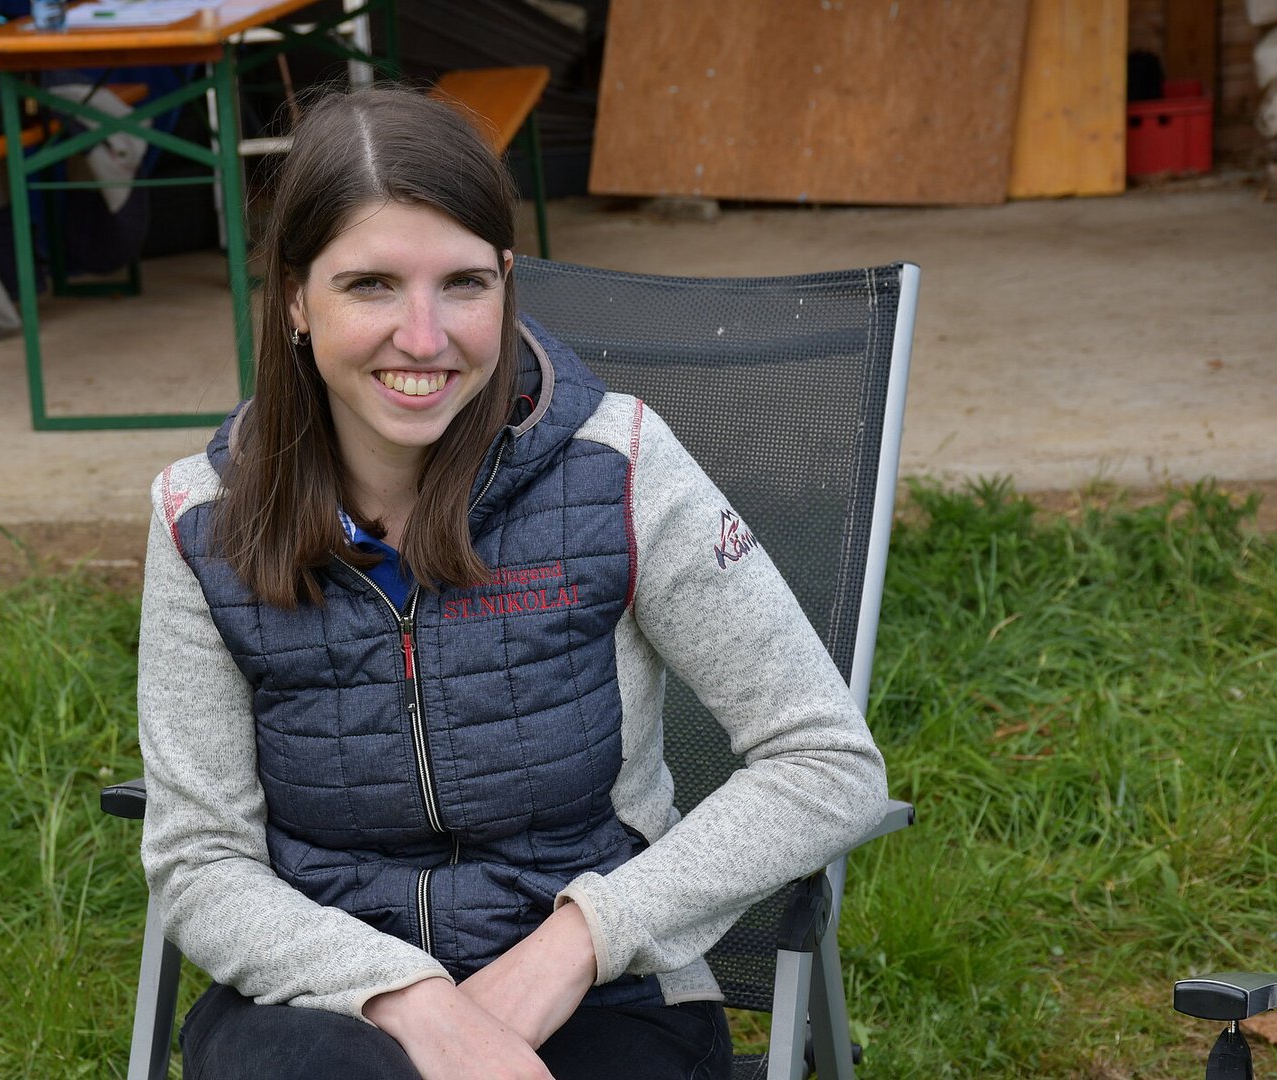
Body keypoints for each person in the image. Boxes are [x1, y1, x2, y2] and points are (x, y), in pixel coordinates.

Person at [137, 84, 888, 1080]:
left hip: (605, 990)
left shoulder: (618, 467)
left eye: (462, 283)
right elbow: (199, 859)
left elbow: (826, 763)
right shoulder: (202, 518)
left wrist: (574, 945)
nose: (423, 336)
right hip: (320, 997)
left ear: (505, 283)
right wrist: (409, 999)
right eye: (370, 285)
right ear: (294, 300)